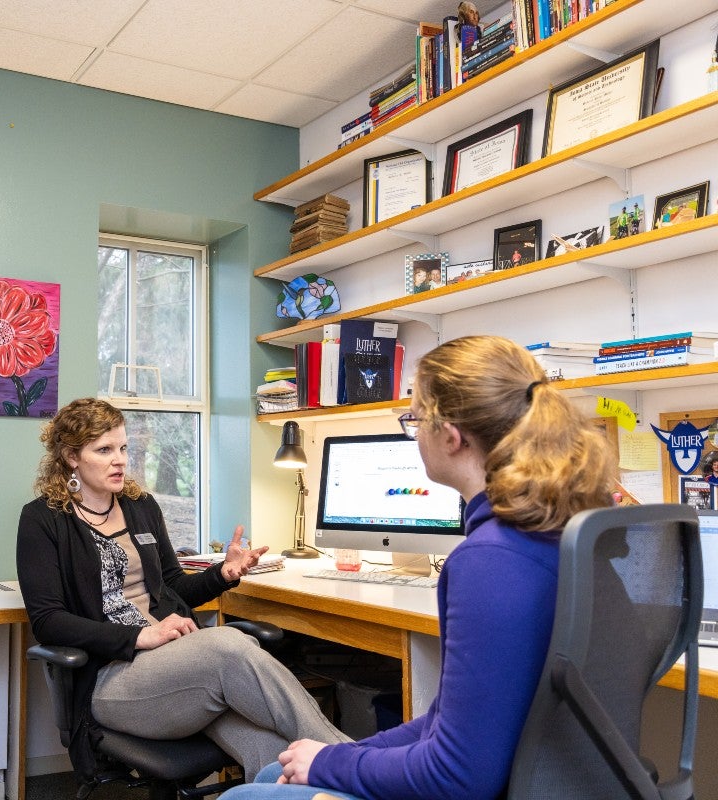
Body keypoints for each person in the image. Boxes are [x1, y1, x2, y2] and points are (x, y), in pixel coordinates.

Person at [220, 335, 617, 800]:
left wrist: (333, 760)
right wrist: (341, 758)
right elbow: (449, 720)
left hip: (493, 787)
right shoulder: (564, 530)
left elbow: (458, 776)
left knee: (242, 796)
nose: (412, 434)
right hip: (553, 776)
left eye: (414, 419)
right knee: (274, 776)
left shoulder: (492, 559)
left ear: (450, 436)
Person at [17, 398, 349, 780]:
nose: (120, 460)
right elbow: (49, 622)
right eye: (104, 450)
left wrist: (222, 574)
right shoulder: (43, 519)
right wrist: (140, 636)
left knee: (277, 752)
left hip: (178, 666)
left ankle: (328, 778)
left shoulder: (141, 506)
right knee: (228, 646)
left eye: (123, 447)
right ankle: (356, 764)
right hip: (112, 679)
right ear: (71, 456)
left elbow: (172, 587)